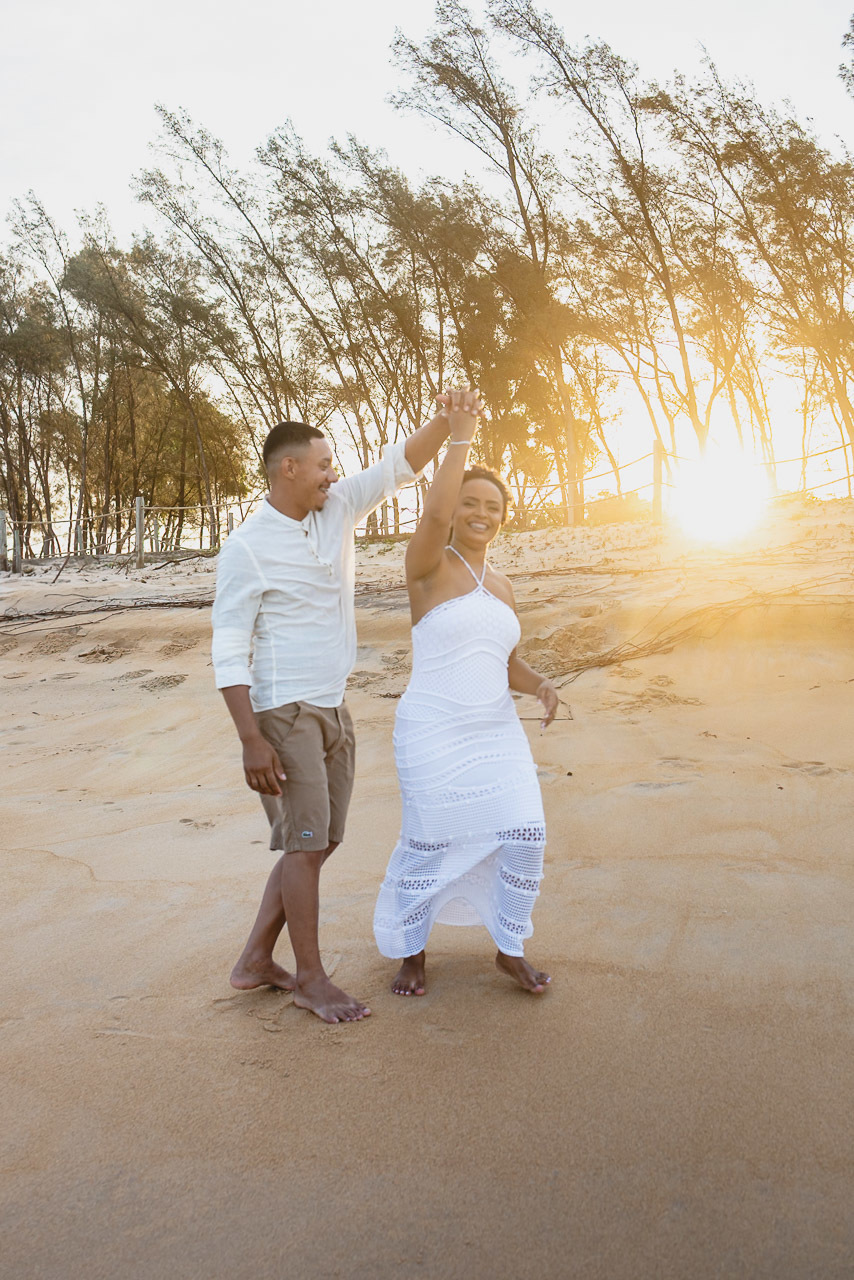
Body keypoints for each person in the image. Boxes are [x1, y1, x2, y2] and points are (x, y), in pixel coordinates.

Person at [212, 407, 454, 1024]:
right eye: (322, 465)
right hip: (281, 712)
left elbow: (400, 464)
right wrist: (250, 740)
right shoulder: (247, 547)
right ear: (287, 469)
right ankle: (311, 979)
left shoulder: (339, 508)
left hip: (332, 705)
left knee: (320, 839)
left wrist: (448, 423)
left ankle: (255, 960)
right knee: (305, 841)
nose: (331, 474)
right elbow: (228, 648)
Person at [373, 387, 558, 996]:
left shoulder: (502, 585)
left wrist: (540, 686)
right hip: (432, 728)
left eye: (494, 506)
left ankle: (509, 946)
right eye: (470, 502)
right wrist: (460, 439)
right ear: (455, 508)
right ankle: (412, 954)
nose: (481, 512)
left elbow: (507, 663)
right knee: (430, 840)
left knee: (525, 832)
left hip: (495, 731)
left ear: (505, 516)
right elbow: (430, 515)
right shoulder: (427, 564)